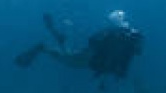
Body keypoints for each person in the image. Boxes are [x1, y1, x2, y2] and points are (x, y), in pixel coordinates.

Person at [15, 9, 144, 83]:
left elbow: (95, 42)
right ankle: (44, 45)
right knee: (69, 60)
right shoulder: (127, 38)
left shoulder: (118, 36)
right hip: (91, 57)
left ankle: (55, 37)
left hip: (92, 57)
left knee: (69, 57)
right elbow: (134, 52)